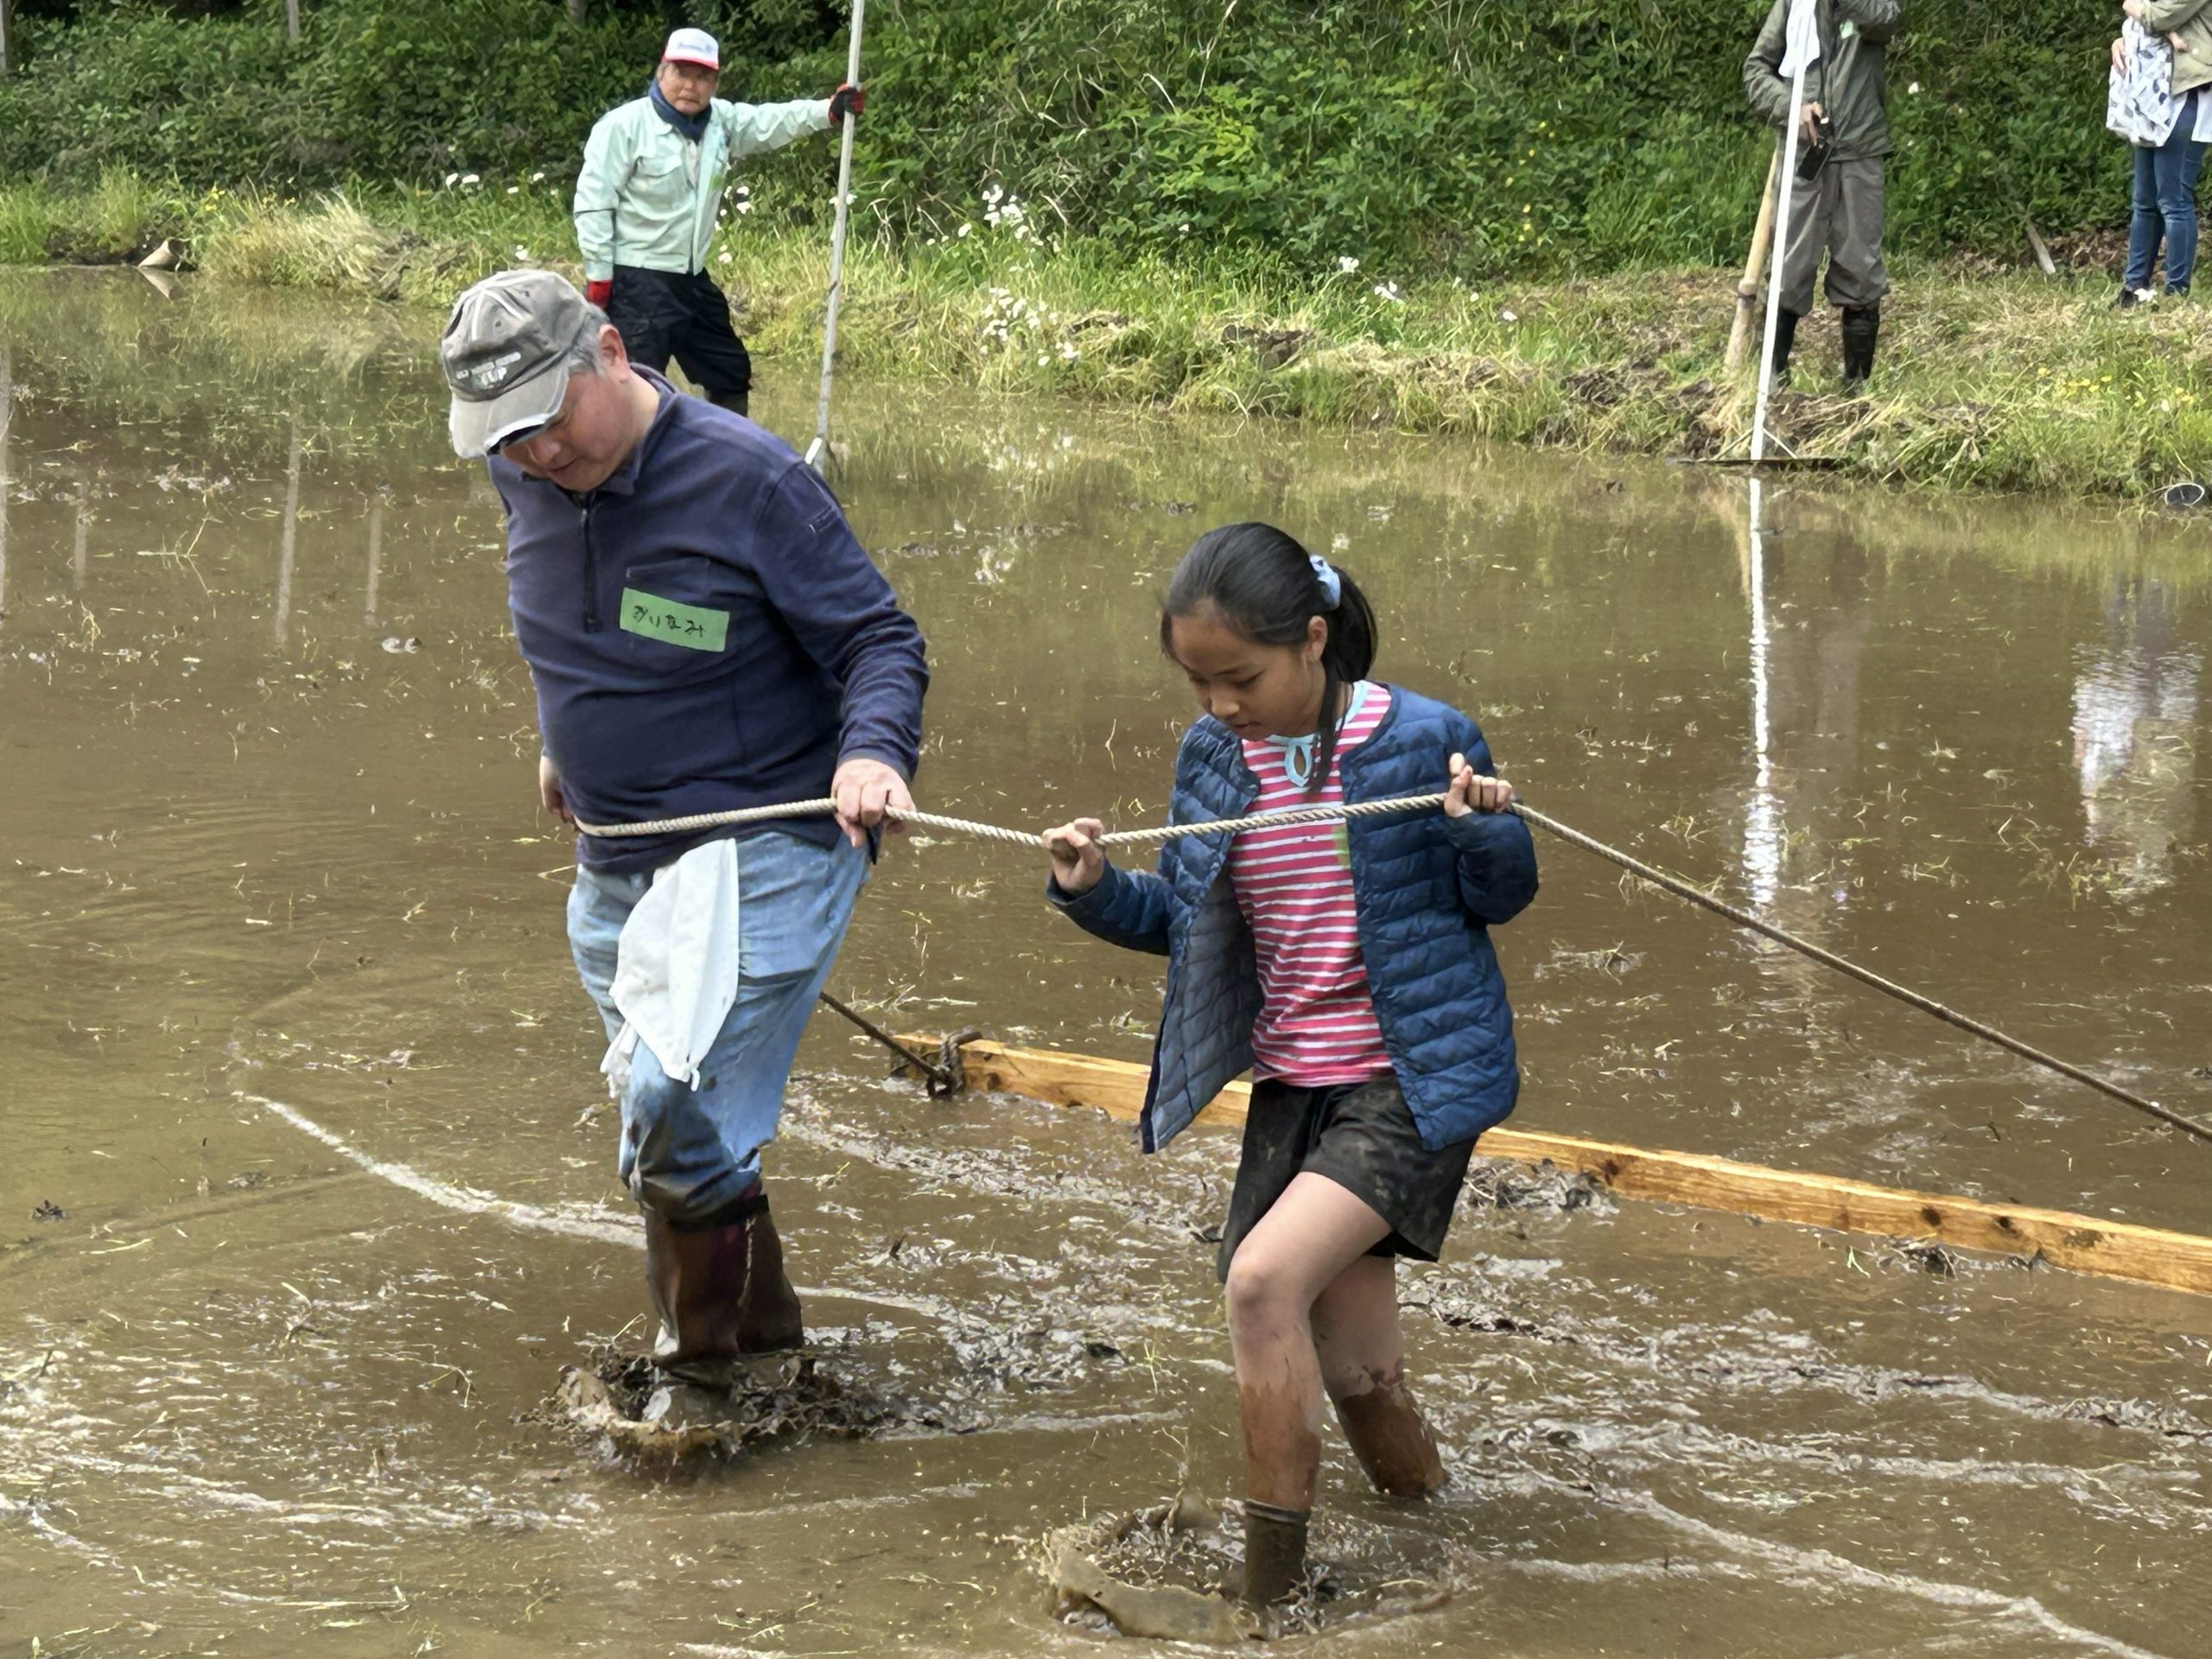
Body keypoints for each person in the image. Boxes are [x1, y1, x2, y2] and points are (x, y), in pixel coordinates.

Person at [437, 269, 927, 1422]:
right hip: (615, 852)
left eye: (548, 423)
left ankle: (697, 1384)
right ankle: (769, 1343)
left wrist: (873, 755)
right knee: (685, 1126)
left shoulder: (749, 480)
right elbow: (579, 610)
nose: (535, 457)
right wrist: (563, 735)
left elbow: (879, 641)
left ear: (607, 352)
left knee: (669, 1096)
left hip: (761, 843)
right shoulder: (523, 478)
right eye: (504, 442)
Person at [1039, 524, 1538, 1611]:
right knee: (1359, 1372)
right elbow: (1187, 922)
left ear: (1313, 640)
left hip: (1411, 1082)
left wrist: (1480, 827)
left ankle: (1269, 1601)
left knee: (1261, 1283)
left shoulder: (1424, 741)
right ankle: (1443, 1537)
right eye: (1197, 680)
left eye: (1241, 677)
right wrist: (1090, 889)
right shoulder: (1213, 760)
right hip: (1293, 1087)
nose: (1221, 703)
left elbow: (1503, 895)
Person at [573, 27, 863, 417]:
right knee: (634, 387)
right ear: (662, 72)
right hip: (636, 280)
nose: (690, 85)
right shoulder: (622, 127)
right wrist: (599, 278)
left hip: (691, 279)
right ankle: (630, 474)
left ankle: (724, 460)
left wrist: (827, 110)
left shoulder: (721, 123)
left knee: (729, 371)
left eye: (703, 76)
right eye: (682, 72)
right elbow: (594, 205)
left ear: (715, 82)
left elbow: (769, 122)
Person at [1744, 0, 1901, 389]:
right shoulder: (1792, 3)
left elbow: (1887, 20)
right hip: (1803, 153)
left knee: (1862, 272)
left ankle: (1856, 389)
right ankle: (1773, 384)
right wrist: (1789, 106)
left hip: (1860, 151)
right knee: (1788, 268)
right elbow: (1755, 70)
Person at [2107, 2, 2212, 306]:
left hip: (2188, 95)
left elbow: (2159, 16)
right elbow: (2146, 24)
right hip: (2153, 96)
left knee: (2173, 199)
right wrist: (2124, 38)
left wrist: (2130, 5)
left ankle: (2175, 293)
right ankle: (2133, 288)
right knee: (2144, 200)